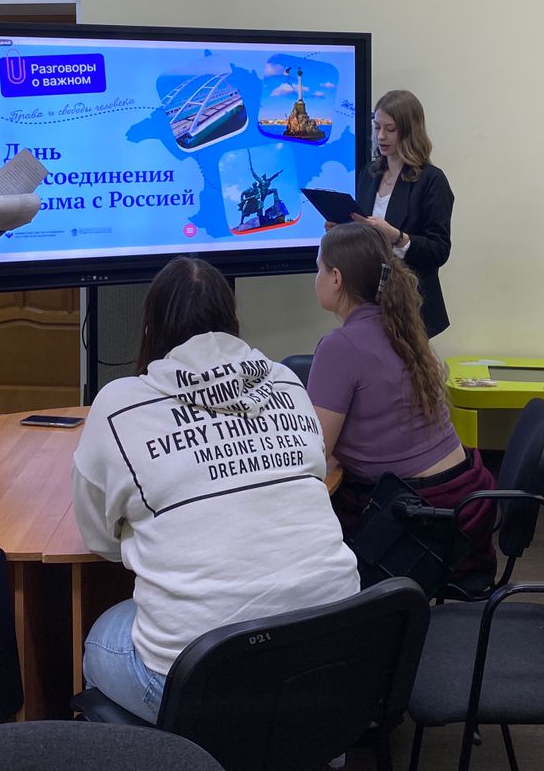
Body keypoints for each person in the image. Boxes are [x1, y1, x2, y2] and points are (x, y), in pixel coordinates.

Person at [71, 257, 360, 722]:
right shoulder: (288, 383)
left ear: (149, 329)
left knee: (103, 633)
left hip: (206, 683)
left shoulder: (119, 405)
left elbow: (98, 540)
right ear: (233, 322)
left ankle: (165, 752)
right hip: (333, 655)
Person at [308, 223, 496, 582]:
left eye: (318, 268)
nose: (315, 278)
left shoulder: (339, 347)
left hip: (417, 527)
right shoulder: (404, 327)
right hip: (465, 507)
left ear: (336, 278)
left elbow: (315, 453)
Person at [351, 89, 454, 338]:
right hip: (369, 298)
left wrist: (398, 237)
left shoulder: (432, 180)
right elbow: (367, 231)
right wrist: (345, 230)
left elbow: (439, 250)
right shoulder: (370, 173)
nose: (381, 136)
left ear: (409, 132)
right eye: (377, 127)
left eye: (390, 129)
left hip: (411, 303)